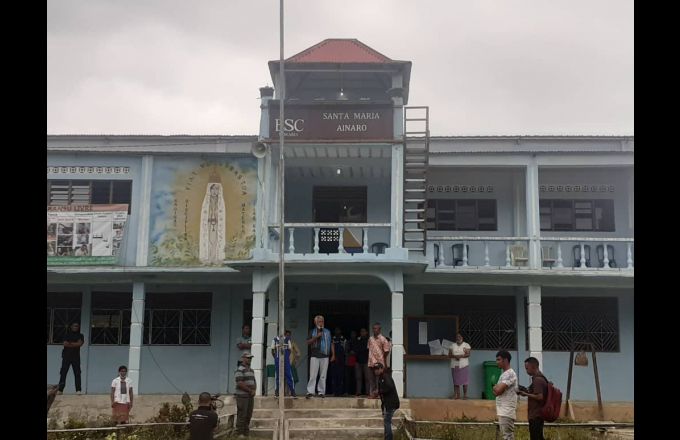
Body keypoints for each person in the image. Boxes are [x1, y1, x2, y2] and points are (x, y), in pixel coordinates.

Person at [305, 315, 335, 398]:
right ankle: (310, 392)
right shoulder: (312, 331)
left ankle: (321, 391)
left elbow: (331, 343)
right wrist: (316, 337)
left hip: (325, 356)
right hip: (314, 355)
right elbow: (308, 342)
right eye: (319, 321)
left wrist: (333, 354)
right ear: (315, 322)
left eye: (322, 321)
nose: (321, 323)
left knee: (323, 375)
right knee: (313, 375)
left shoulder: (327, 332)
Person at [518, 357, 548, 440]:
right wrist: (526, 392)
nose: (526, 371)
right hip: (538, 415)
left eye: (527, 368)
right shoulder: (541, 378)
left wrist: (526, 394)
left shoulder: (538, 380)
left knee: (535, 437)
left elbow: (539, 396)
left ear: (533, 367)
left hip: (536, 415)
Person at [199, 178, 226, 265]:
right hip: (208, 225)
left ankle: (216, 258)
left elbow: (222, 214)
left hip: (217, 225)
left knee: (216, 241)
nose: (215, 191)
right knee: (208, 240)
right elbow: (204, 214)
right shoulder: (206, 202)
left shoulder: (220, 202)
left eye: (217, 189)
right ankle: (208, 258)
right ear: (209, 190)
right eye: (213, 189)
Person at [492, 350, 518, 440]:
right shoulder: (504, 374)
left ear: (505, 360)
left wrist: (495, 387)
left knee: (507, 436)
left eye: (499, 359)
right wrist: (496, 388)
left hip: (507, 411)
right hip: (503, 410)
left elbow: (498, 390)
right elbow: (496, 393)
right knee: (506, 436)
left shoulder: (510, 373)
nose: (497, 362)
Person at [234, 351, 256, 437]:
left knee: (248, 414)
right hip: (242, 396)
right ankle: (240, 433)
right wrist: (250, 390)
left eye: (250, 358)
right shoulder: (239, 369)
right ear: (243, 358)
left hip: (250, 396)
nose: (249, 359)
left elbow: (254, 381)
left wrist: (254, 390)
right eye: (248, 358)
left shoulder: (251, 370)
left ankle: (246, 432)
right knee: (242, 414)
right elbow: (240, 383)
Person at [58, 322, 84, 394]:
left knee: (77, 373)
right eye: (74, 326)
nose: (76, 327)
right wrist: (75, 344)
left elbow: (80, 344)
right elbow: (65, 344)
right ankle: (60, 390)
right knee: (63, 373)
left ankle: (78, 390)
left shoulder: (80, 335)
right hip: (66, 357)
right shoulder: (67, 335)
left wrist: (70, 343)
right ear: (71, 327)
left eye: (77, 326)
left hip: (76, 357)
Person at [375, 363, 400, 440]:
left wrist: (379, 392)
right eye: (375, 369)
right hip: (388, 404)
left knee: (387, 421)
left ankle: (388, 438)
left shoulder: (385, 376)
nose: (376, 371)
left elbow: (390, 387)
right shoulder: (381, 377)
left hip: (392, 403)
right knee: (387, 421)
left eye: (377, 369)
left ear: (382, 368)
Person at [367, 322, 391, 398]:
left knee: (379, 379)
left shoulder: (383, 339)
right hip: (371, 362)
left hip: (379, 363)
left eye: (376, 328)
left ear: (379, 329)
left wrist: (383, 359)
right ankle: (372, 394)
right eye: (373, 328)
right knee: (371, 379)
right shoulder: (370, 339)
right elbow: (369, 348)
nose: (374, 330)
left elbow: (387, 350)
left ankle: (379, 394)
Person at [271, 332, 296, 398]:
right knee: (278, 376)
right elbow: (272, 350)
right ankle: (277, 392)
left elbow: (290, 350)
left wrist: (286, 357)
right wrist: (276, 358)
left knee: (289, 375)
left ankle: (293, 391)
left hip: (286, 361)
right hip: (277, 360)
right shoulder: (275, 339)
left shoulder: (287, 339)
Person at [448, 332, 472, 399]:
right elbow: (449, 355)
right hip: (455, 365)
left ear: (462, 338)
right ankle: (456, 395)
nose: (458, 338)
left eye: (459, 336)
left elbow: (468, 354)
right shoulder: (452, 345)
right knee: (456, 381)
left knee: (465, 381)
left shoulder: (466, 345)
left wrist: (461, 356)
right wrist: (455, 356)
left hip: (464, 365)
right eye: (457, 337)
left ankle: (465, 395)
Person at [351, 328, 370, 396]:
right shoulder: (357, 340)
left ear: (366, 332)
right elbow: (354, 349)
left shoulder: (369, 340)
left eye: (363, 331)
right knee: (358, 377)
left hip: (366, 361)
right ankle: (358, 392)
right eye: (361, 331)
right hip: (358, 361)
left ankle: (368, 392)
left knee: (367, 378)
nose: (362, 333)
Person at [330, 327, 347, 396]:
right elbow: (330, 348)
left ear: (340, 331)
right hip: (333, 360)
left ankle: (340, 392)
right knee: (334, 376)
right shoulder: (332, 339)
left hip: (341, 360)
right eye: (336, 330)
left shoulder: (344, 339)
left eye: (338, 330)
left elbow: (346, 349)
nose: (337, 331)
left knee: (341, 376)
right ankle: (334, 392)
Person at [345, 330, 358, 395]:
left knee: (355, 378)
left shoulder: (358, 341)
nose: (353, 335)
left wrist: (355, 352)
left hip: (356, 362)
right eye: (352, 334)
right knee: (348, 378)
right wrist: (350, 352)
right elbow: (346, 351)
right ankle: (347, 391)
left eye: (354, 334)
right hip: (348, 362)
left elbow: (359, 350)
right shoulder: (348, 341)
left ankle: (355, 392)